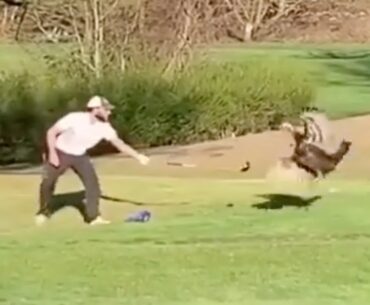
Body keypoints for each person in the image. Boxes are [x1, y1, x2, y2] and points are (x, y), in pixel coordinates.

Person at [35, 95, 150, 226]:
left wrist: (138, 156)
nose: (109, 112)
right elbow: (52, 132)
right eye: (106, 109)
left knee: (93, 186)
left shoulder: (105, 127)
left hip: (80, 156)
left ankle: (93, 217)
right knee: (47, 183)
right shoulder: (75, 118)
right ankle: (43, 212)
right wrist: (53, 154)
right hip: (60, 152)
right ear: (95, 109)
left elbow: (119, 144)